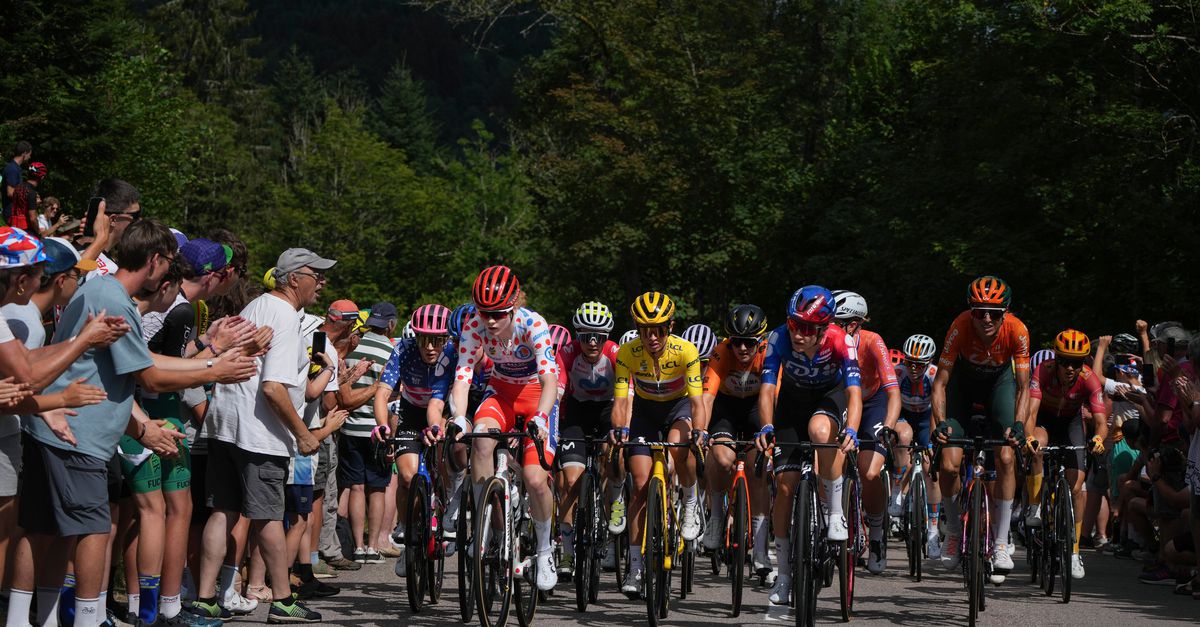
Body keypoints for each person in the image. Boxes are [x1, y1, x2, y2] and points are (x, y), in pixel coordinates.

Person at [14, 221, 256, 627]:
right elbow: (150, 376)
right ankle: (87, 618)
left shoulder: (100, 288)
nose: (171, 277)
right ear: (155, 260)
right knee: (92, 531)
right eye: (169, 266)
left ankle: (34, 618)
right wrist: (214, 365)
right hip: (78, 434)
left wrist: (207, 361)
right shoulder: (113, 297)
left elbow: (130, 369)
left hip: (66, 429)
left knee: (49, 530)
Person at [193, 248, 336, 623]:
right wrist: (304, 434)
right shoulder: (287, 317)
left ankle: (205, 597)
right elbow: (274, 388)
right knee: (269, 517)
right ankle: (284, 601)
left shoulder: (255, 305)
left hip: (224, 424)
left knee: (222, 510)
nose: (321, 283)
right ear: (293, 279)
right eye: (315, 276)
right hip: (259, 434)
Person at [446, 265, 562, 592]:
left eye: (499, 313)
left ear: (514, 304)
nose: (491, 321)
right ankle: (487, 518)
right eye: (485, 313)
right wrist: (458, 415)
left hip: (537, 395)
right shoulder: (473, 325)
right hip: (502, 393)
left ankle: (543, 549)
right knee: (480, 440)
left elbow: (549, 379)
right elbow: (464, 376)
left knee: (535, 478)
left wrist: (541, 415)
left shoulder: (533, 324)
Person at [756, 286, 862, 604]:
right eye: (793, 324)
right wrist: (766, 424)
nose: (797, 334)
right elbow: (766, 389)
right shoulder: (778, 338)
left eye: (804, 328)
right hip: (792, 403)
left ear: (822, 328)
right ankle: (785, 576)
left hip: (829, 400)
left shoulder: (840, 340)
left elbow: (855, 393)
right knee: (784, 488)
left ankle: (833, 511)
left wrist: (853, 430)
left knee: (820, 431)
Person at [931, 276, 1030, 582]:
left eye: (995, 312)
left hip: (999, 387)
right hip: (964, 389)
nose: (986, 318)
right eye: (979, 311)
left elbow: (1024, 387)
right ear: (970, 311)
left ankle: (1001, 541)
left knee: (1005, 458)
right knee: (948, 465)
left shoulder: (1017, 330)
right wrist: (940, 424)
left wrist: (1018, 425)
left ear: (1006, 313)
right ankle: (954, 532)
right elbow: (941, 383)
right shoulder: (959, 326)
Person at [610, 291, 706, 596]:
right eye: (645, 330)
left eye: (659, 330)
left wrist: (700, 429)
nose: (652, 337)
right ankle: (635, 567)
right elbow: (621, 401)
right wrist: (619, 428)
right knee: (639, 483)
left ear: (671, 326)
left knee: (679, 446)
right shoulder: (627, 353)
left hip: (678, 408)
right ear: (638, 330)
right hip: (645, 414)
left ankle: (689, 500)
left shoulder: (685, 351)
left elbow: (698, 400)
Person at [371, 304, 456, 577]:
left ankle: (449, 503)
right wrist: (383, 425)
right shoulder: (403, 350)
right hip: (411, 411)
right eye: (424, 340)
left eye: (438, 340)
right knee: (407, 478)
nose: (430, 347)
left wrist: (440, 425)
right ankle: (409, 535)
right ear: (414, 338)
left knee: (443, 450)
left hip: (443, 409)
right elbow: (383, 393)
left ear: (447, 339)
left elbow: (442, 402)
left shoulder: (453, 354)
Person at [1022, 329, 1108, 580]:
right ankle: (1036, 507)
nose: (1070, 368)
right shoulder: (1043, 371)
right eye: (1065, 362)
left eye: (1076, 362)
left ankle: (1073, 552)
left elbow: (1101, 421)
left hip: (1071, 425)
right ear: (1056, 360)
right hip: (1045, 422)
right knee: (1037, 443)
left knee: (1077, 487)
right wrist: (1028, 436)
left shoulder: (1089, 378)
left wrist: (1099, 439)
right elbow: (1031, 412)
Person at [830, 290, 901, 575]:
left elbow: (893, 392)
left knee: (870, 471)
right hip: (841, 399)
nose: (829, 327)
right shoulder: (827, 342)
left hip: (872, 402)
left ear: (855, 324)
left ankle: (876, 533)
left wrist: (889, 428)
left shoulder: (873, 342)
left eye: (837, 322)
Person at [701, 304, 771, 574]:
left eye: (749, 343)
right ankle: (717, 516)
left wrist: (769, 428)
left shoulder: (767, 354)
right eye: (737, 342)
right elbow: (707, 398)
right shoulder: (721, 352)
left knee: (759, 469)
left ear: (760, 342)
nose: (742, 349)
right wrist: (702, 430)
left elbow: (772, 396)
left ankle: (762, 549)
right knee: (720, 456)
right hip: (726, 409)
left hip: (757, 409)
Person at [555, 301, 619, 575]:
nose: (593, 342)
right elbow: (556, 394)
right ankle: (568, 552)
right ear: (577, 336)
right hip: (578, 413)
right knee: (570, 480)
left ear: (606, 338)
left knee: (614, 456)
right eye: (586, 336)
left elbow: (628, 396)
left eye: (599, 337)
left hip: (608, 411)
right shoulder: (567, 353)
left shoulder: (615, 353)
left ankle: (615, 500)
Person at [339, 301, 396, 563]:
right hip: (377, 429)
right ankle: (373, 547)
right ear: (391, 325)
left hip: (350, 426)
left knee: (356, 488)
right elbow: (394, 393)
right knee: (377, 489)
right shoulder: (391, 350)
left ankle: (358, 546)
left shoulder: (352, 345)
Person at [894, 333, 942, 558]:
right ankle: (898, 489)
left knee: (930, 468)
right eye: (909, 362)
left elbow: (937, 409)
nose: (913, 368)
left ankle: (933, 529)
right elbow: (891, 401)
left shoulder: (933, 375)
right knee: (903, 437)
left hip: (926, 418)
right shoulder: (898, 372)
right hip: (904, 415)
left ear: (928, 363)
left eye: (919, 364)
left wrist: (932, 441)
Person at [8, 162, 45, 233]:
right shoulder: (31, 192)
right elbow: (32, 218)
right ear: (42, 177)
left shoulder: (18, 187)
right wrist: (38, 231)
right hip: (25, 229)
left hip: (13, 225)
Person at [2, 142, 31, 221]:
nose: (29, 157)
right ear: (24, 153)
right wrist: (28, 195)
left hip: (15, 213)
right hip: (11, 214)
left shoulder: (16, 168)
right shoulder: (12, 169)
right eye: (29, 154)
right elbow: (10, 192)